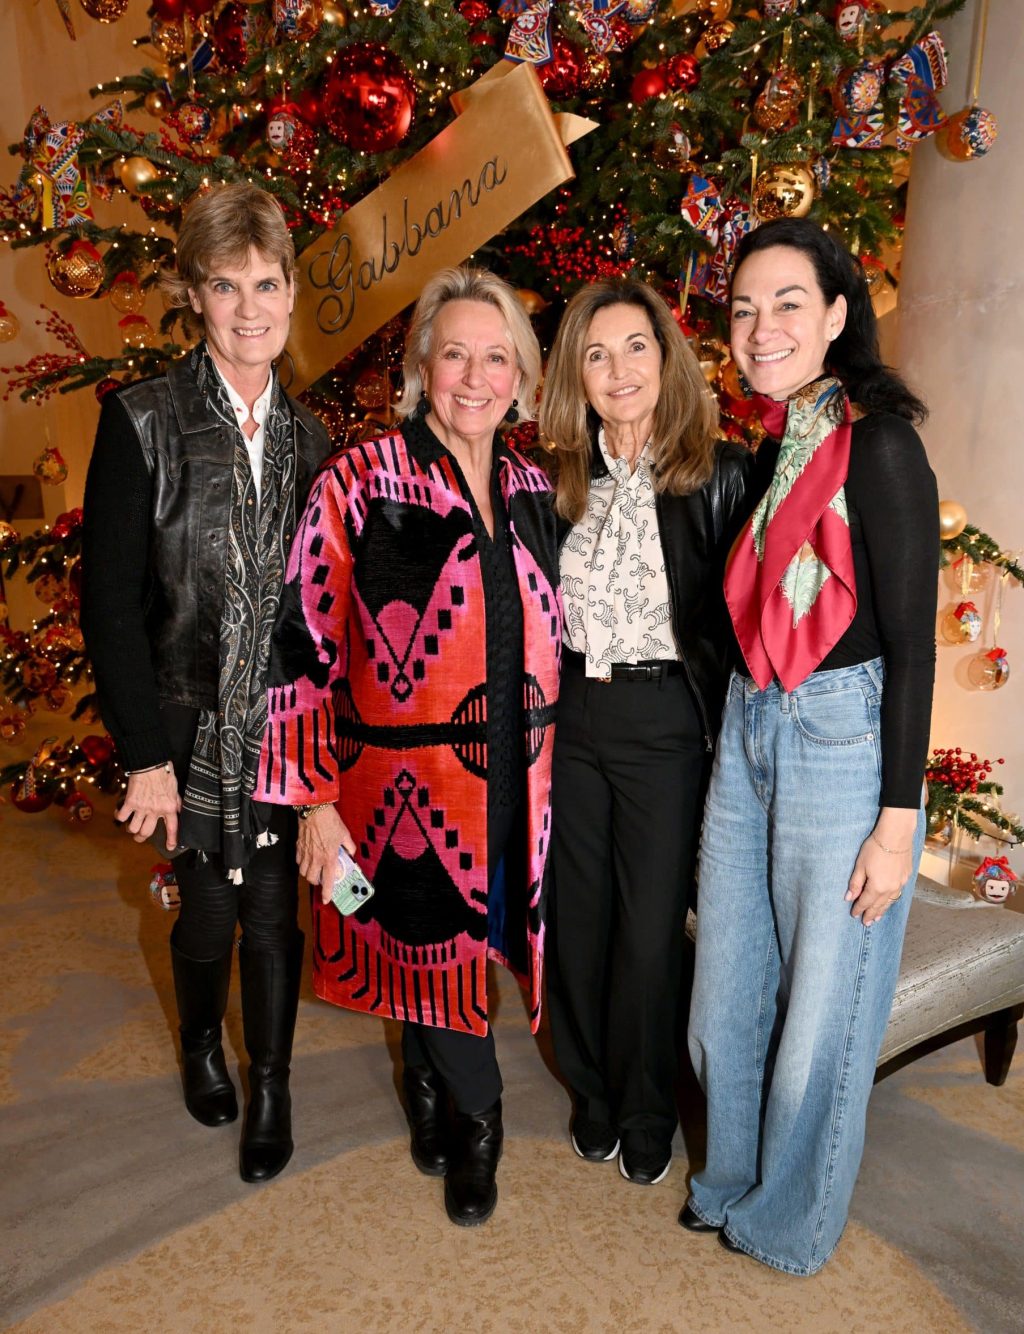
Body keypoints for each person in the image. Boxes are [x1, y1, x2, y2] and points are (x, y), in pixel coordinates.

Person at [256, 267, 561, 1227]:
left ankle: (426, 1078)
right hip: (392, 786)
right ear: (422, 364)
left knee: (461, 940)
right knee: (415, 929)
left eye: (496, 356)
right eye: (455, 353)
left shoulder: (532, 485)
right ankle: (480, 1117)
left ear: (522, 374)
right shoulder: (359, 480)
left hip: (516, 776)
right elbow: (298, 641)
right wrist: (312, 800)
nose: (475, 376)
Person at [682, 218, 939, 1275]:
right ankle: (731, 1178)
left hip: (842, 735)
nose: (760, 325)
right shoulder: (769, 451)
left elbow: (915, 642)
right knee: (725, 988)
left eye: (788, 300)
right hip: (750, 724)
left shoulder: (878, 442)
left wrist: (897, 817)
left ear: (837, 315)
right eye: (743, 308)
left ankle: (787, 1219)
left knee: (824, 1007)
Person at [81, 183, 330, 1184]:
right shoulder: (139, 421)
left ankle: (269, 1080)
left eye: (267, 283)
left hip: (279, 720)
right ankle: (198, 1042)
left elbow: (319, 610)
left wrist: (323, 759)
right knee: (211, 914)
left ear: (292, 289)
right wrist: (143, 753)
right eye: (226, 286)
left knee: (273, 911)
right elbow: (110, 603)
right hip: (182, 722)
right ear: (194, 293)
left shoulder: (312, 440)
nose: (249, 307)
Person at [539, 277, 754, 1186]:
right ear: (574, 374)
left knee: (651, 928)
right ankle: (591, 1091)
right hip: (575, 716)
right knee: (578, 920)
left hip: (668, 721)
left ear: (666, 358)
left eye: (635, 346)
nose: (618, 369)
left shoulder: (720, 469)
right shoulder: (555, 477)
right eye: (596, 352)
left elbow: (750, 625)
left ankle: (646, 1106)